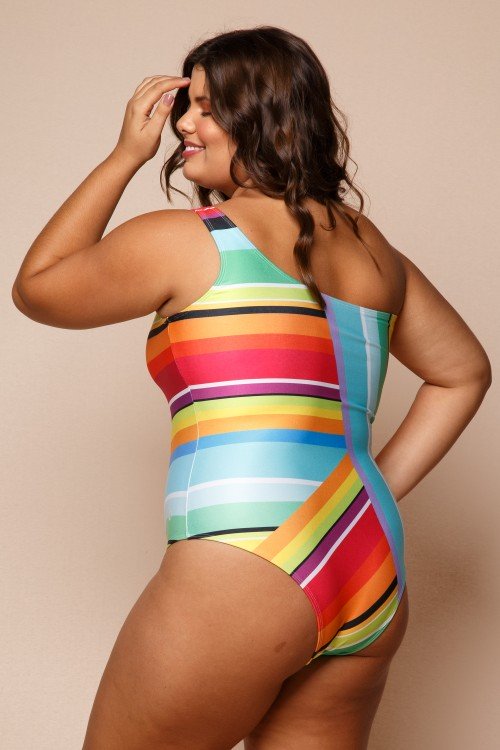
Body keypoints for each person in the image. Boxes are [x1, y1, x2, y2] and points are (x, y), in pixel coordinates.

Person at [12, 25, 491, 750]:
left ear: (266, 117)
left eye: (208, 108)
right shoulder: (373, 251)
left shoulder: (192, 239)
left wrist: (123, 157)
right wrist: (365, 493)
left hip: (244, 557)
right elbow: (464, 371)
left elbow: (38, 288)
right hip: (367, 561)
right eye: (186, 106)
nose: (183, 124)